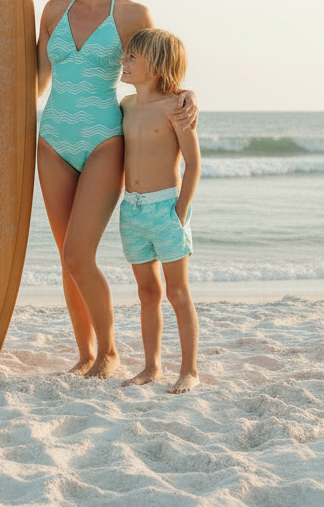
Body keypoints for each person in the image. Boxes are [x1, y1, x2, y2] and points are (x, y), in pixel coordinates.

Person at [36, 0, 197, 379]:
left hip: (105, 139)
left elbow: (160, 71)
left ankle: (108, 353)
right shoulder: (51, 11)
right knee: (68, 256)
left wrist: (189, 95)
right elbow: (35, 80)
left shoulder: (131, 16)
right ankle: (85, 353)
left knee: (78, 255)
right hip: (52, 141)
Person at [118, 28, 201, 393]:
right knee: (147, 293)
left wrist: (180, 212)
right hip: (131, 213)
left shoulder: (176, 108)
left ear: (156, 66)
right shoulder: (126, 105)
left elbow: (194, 165)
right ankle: (152, 367)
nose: (124, 61)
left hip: (165, 209)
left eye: (132, 57)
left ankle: (190, 371)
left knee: (177, 293)